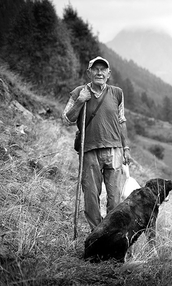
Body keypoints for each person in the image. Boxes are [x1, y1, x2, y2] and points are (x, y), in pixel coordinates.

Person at [63, 56, 131, 230]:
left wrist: (126, 148)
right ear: (89, 72)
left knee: (115, 197)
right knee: (91, 197)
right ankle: (97, 233)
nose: (99, 72)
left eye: (103, 69)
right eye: (95, 69)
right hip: (89, 149)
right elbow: (67, 119)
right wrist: (80, 101)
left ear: (108, 74)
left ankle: (112, 233)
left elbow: (121, 121)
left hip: (114, 150)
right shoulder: (79, 92)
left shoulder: (117, 93)